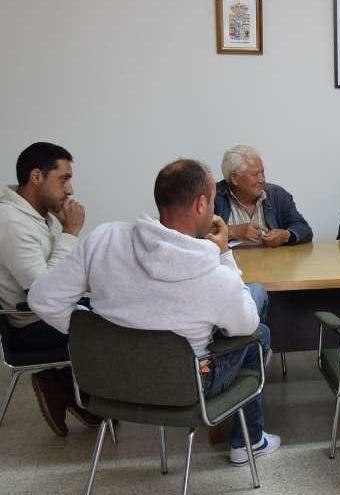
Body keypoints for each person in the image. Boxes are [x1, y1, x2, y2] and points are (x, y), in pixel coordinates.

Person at [27, 159, 281, 465]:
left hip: (110, 378)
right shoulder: (214, 274)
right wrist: (224, 253)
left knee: (248, 302)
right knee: (258, 331)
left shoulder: (103, 238)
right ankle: (249, 441)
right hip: (189, 384)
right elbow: (246, 325)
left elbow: (42, 299)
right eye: (213, 199)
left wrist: (91, 335)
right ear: (202, 204)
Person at [0, 141, 99, 436]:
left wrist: (62, 231)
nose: (69, 190)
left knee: (120, 306)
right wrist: (70, 232)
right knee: (114, 324)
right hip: (31, 324)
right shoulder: (10, 221)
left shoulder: (35, 215)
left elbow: (62, 272)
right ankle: (77, 391)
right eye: (64, 179)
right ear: (36, 177)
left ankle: (63, 385)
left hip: (50, 312)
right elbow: (44, 289)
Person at [215, 145, 312, 248]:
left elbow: (304, 229)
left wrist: (287, 236)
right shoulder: (213, 197)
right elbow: (198, 235)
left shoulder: (277, 195)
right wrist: (232, 231)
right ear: (235, 178)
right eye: (255, 174)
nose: (262, 179)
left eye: (262, 172)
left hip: (272, 263)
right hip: (229, 263)